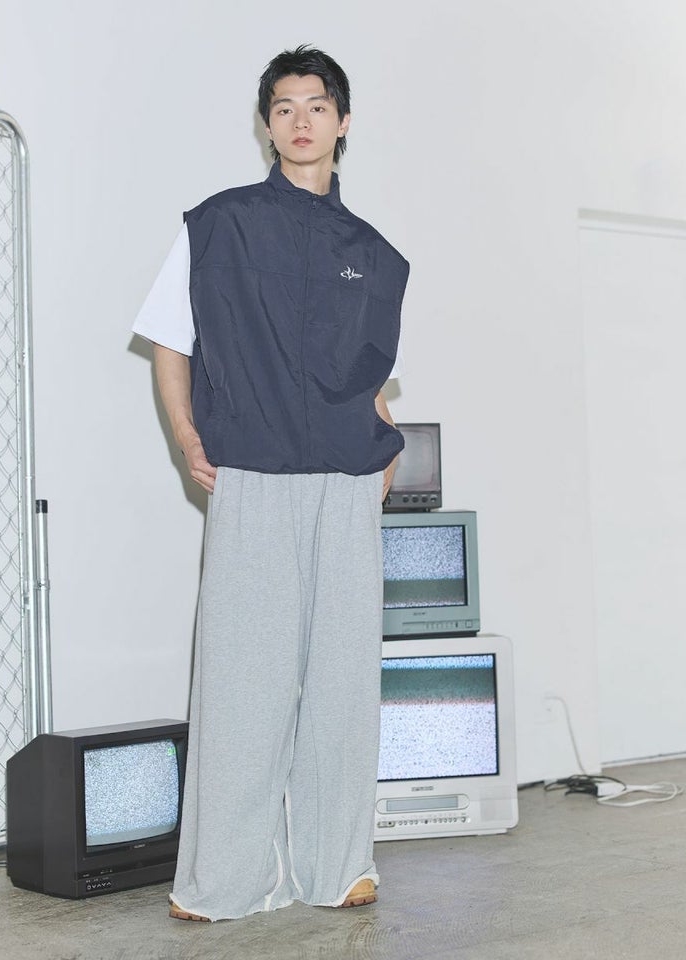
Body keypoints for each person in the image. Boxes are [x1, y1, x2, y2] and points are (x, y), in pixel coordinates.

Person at [132, 45, 408, 922]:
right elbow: (169, 341)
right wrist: (187, 435)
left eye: (316, 105)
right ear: (266, 124)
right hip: (250, 474)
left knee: (340, 684)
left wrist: (384, 453)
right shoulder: (217, 226)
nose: (300, 121)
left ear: (343, 121)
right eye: (284, 107)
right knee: (240, 680)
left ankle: (340, 864)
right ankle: (224, 878)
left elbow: (373, 379)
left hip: (345, 484)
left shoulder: (375, 254)